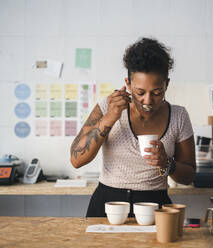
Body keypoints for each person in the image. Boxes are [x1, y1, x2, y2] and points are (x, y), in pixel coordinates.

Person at [70, 37, 195, 217]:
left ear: (167, 84)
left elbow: (189, 175)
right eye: (140, 92)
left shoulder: (178, 116)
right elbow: (76, 160)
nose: (148, 101)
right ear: (128, 84)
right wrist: (110, 118)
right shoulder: (108, 107)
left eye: (157, 92)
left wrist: (167, 163)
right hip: (108, 204)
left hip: (155, 205)